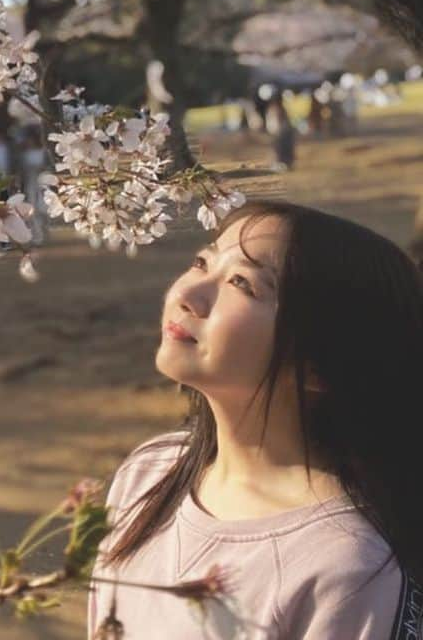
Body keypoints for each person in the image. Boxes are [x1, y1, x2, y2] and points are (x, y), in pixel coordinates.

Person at [88, 201, 423, 639]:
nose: (187, 296)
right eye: (201, 262)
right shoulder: (149, 472)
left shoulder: (347, 571)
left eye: (241, 283)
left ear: (320, 363)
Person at [265, 93, 295, 172]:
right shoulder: (274, 108)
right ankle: (281, 164)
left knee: (280, 150)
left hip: (281, 133)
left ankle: (283, 164)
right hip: (278, 133)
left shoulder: (279, 109)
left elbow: (280, 122)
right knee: (278, 150)